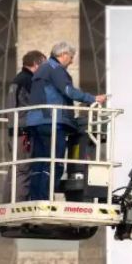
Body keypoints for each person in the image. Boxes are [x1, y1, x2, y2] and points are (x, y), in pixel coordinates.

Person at [26, 41, 106, 201]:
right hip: (52, 121)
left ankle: (35, 197)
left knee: (39, 163)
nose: (72, 61)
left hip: (36, 122)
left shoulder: (42, 69)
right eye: (71, 57)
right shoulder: (56, 69)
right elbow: (68, 91)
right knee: (55, 162)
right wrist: (93, 98)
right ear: (62, 55)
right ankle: (45, 198)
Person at [0, 50, 46, 203]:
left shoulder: (17, 80)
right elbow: (38, 105)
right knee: (24, 171)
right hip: (24, 132)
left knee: (15, 170)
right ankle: (19, 204)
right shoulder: (30, 81)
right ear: (36, 64)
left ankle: (7, 203)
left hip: (14, 132)